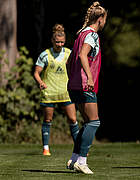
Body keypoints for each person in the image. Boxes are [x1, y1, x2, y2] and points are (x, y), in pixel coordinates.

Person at [65, 1, 107, 174]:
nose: (105, 23)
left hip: (74, 85)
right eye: (105, 19)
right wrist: (89, 77)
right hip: (85, 85)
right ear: (100, 19)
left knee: (87, 122)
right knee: (94, 122)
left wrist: (73, 78)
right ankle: (82, 161)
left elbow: (69, 62)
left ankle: (74, 159)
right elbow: (83, 55)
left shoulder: (80, 34)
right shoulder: (92, 35)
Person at [34, 24, 78, 156]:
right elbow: (36, 72)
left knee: (72, 119)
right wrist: (40, 82)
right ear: (52, 41)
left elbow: (76, 71)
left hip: (66, 92)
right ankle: (46, 148)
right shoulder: (45, 55)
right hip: (49, 93)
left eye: (62, 42)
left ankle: (79, 148)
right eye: (57, 41)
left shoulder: (69, 54)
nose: (59, 44)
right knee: (48, 120)